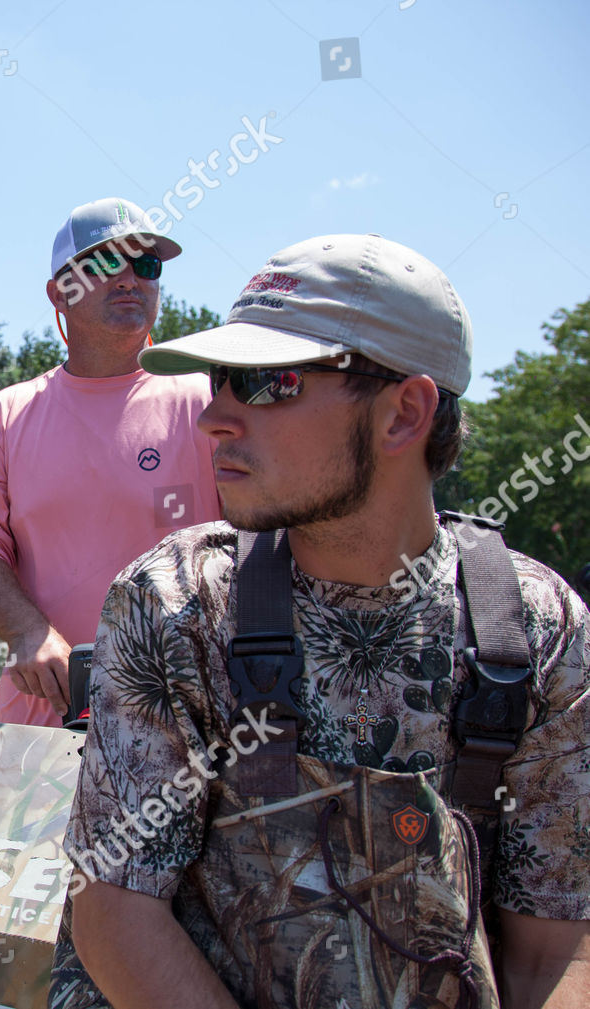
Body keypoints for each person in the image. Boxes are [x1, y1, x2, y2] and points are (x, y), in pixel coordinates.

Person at [56, 233, 590, 1007]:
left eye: (266, 384)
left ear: (404, 413)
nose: (215, 421)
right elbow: (114, 906)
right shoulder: (177, 604)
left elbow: (557, 944)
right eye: (219, 383)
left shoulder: (541, 633)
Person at [0, 197, 221, 726]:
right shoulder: (8, 413)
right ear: (59, 293)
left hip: (187, 722)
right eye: (103, 263)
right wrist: (28, 631)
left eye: (145, 265)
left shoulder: (209, 401)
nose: (128, 279)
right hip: (42, 723)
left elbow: (261, 544)